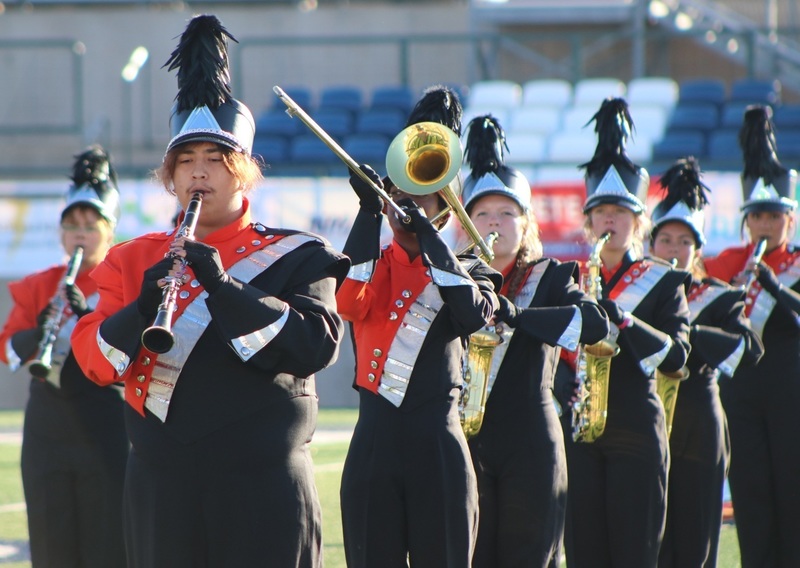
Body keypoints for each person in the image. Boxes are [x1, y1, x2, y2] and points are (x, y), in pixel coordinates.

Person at [70, 16, 349, 568]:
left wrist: (223, 287)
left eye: (216, 161)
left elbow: (316, 345)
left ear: (243, 172)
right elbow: (93, 363)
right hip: (162, 490)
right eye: (186, 162)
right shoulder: (133, 257)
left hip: (265, 489)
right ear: (170, 177)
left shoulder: (301, 253)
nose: (199, 174)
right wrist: (143, 308)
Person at [337, 86, 501, 567]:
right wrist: (369, 212)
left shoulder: (474, 269)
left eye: (423, 200)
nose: (406, 206)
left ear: (446, 209)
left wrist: (428, 234)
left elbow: (471, 314)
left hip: (439, 445)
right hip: (373, 441)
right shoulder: (373, 260)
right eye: (398, 196)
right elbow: (349, 300)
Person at [457, 115, 609, 568]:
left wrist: (516, 314)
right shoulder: (450, 279)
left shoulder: (552, 275)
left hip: (532, 441)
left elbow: (594, 325)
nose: (495, 222)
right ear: (466, 224)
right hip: (465, 442)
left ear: (526, 225)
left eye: (507, 212)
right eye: (482, 212)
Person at [555, 97, 691, 568]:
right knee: (585, 554)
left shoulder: (664, 279)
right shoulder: (566, 280)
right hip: (579, 433)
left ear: (638, 221)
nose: (609, 219)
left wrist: (625, 319)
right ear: (587, 220)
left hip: (637, 427)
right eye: (601, 211)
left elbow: (678, 358)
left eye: (620, 211)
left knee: (635, 555)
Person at [0, 145, 127, 567]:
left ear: (110, 232)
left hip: (106, 422)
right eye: (72, 224)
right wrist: (40, 327)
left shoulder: (124, 283)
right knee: (52, 540)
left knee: (106, 538)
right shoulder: (40, 284)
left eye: (91, 225)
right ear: (60, 233)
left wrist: (89, 315)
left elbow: (130, 352)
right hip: (47, 428)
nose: (80, 233)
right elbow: (7, 348)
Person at [650, 157, 763, 568]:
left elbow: (747, 348)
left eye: (684, 242)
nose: (674, 250)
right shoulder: (637, 294)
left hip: (699, 426)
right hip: (647, 426)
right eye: (666, 240)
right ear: (651, 245)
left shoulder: (721, 295)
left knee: (696, 544)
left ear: (698, 250)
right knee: (649, 540)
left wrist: (684, 336)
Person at [703, 105, 800, 568]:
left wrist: (775, 286)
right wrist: (739, 285)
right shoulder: (725, 262)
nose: (765, 224)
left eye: (774, 215)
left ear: (791, 220)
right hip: (740, 390)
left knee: (792, 486)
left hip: (790, 389)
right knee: (752, 490)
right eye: (757, 215)